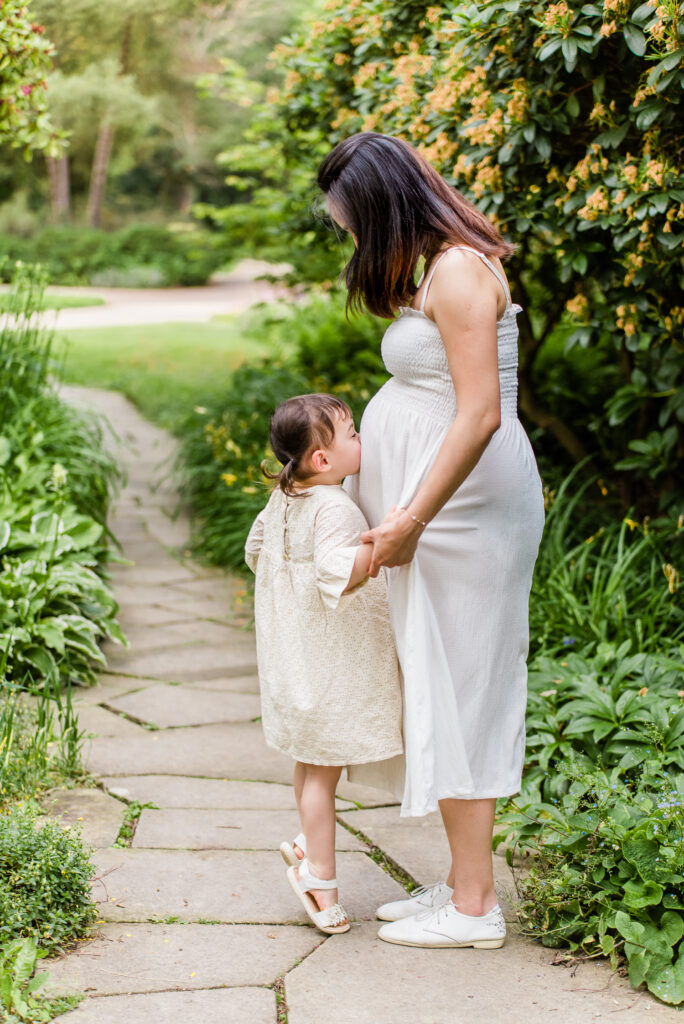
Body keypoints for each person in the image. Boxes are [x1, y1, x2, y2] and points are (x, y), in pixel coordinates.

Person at [317, 132, 546, 949]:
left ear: (382, 206)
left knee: (467, 688)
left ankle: (476, 907)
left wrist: (411, 518)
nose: (351, 239)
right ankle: (460, 882)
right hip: (446, 512)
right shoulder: (441, 266)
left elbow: (481, 412)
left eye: (351, 223)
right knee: (442, 682)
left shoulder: (455, 272)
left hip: (468, 517)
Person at [244, 393, 403, 935]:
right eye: (352, 433)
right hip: (327, 662)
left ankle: (309, 845)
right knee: (323, 775)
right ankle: (321, 880)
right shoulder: (335, 506)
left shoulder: (285, 495)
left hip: (293, 654)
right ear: (322, 461)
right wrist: (388, 541)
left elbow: (254, 550)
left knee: (309, 763)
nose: (362, 440)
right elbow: (343, 571)